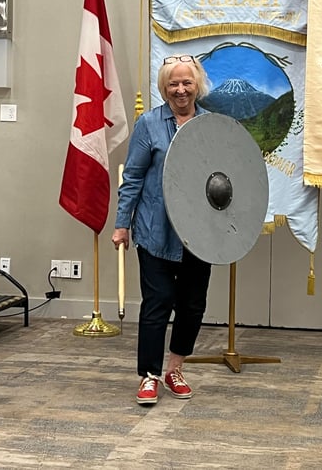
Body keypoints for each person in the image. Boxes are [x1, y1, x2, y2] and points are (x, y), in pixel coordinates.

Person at [112, 54, 212, 406]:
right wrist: (122, 224)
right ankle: (150, 375)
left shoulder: (211, 126)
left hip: (199, 234)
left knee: (192, 305)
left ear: (197, 85)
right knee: (158, 303)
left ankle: (175, 369)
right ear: (164, 88)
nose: (181, 90)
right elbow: (133, 178)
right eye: (174, 84)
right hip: (155, 230)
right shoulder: (149, 124)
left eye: (187, 82)